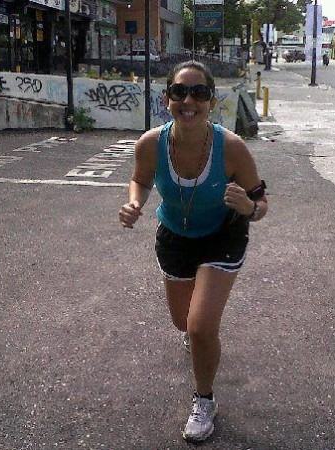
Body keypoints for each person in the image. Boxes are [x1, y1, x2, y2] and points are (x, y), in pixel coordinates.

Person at [118, 61, 268, 442]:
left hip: (222, 236)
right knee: (182, 322)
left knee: (200, 326)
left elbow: (261, 203)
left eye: (199, 93)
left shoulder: (231, 148)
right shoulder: (150, 144)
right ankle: (196, 337)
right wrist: (135, 202)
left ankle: (204, 400)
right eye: (180, 92)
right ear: (166, 99)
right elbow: (139, 180)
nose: (189, 101)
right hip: (175, 237)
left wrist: (248, 207)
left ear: (211, 101)